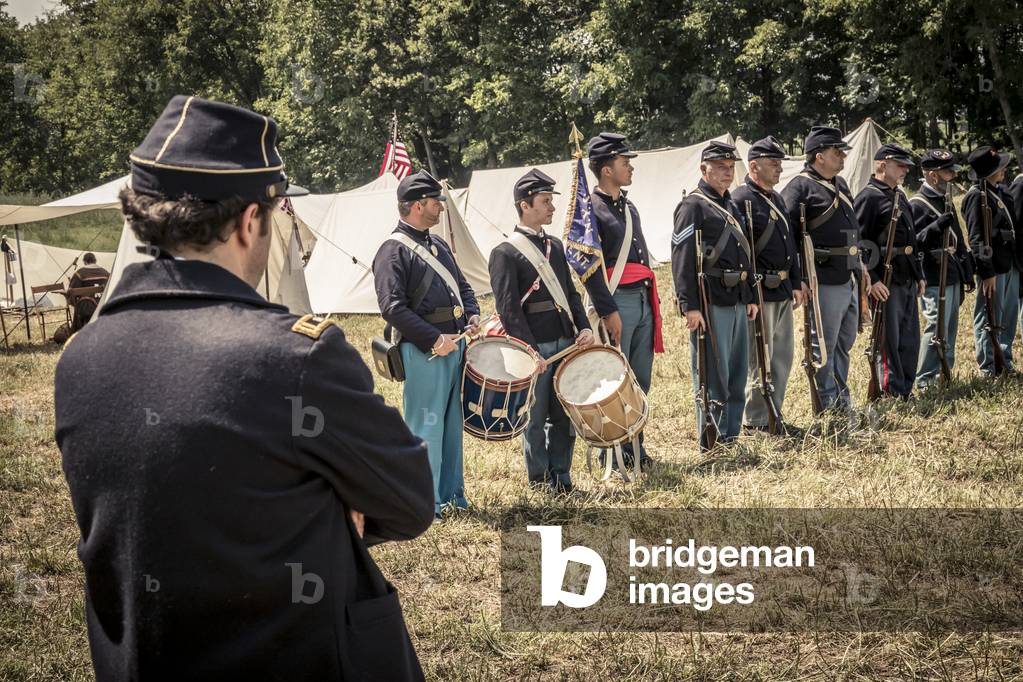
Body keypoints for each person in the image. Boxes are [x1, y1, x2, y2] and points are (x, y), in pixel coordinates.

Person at [54, 95, 434, 681]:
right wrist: (337, 514)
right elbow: (410, 500)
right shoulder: (297, 354)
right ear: (251, 219)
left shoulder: (80, 358)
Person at [373, 169, 480, 517]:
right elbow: (392, 308)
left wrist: (473, 315)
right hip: (425, 351)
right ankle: (424, 502)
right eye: (436, 202)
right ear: (419, 205)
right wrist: (434, 340)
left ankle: (452, 497)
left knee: (450, 427)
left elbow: (463, 287)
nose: (441, 207)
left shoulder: (439, 244)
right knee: (425, 428)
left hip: (455, 344)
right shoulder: (392, 251)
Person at [488, 169, 594, 492]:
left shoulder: (556, 246)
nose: (551, 208)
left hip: (565, 340)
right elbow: (509, 310)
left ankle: (562, 477)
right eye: (545, 201)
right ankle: (539, 480)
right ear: (524, 205)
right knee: (533, 419)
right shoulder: (504, 253)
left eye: (550, 201)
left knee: (564, 416)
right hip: (534, 347)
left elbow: (570, 293)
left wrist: (584, 326)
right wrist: (530, 351)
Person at [582, 131, 662, 468]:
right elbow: (588, 267)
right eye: (623, 161)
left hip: (641, 298)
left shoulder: (628, 207)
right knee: (614, 383)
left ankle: (635, 449)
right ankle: (611, 454)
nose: (630, 167)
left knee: (639, 380)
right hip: (617, 301)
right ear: (605, 170)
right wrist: (607, 309)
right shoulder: (590, 210)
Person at [671, 141, 756, 445]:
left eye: (730, 167)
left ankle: (730, 435)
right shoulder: (692, 205)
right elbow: (681, 258)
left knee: (736, 373)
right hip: (711, 301)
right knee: (712, 374)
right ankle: (712, 437)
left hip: (736, 299)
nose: (727, 172)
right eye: (720, 166)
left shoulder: (731, 204)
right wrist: (689, 306)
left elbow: (745, 255)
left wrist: (750, 297)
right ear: (703, 168)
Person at [780, 125, 862, 412]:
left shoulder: (841, 184)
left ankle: (841, 397)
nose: (842, 156)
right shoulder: (798, 188)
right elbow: (787, 237)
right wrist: (798, 278)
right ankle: (827, 403)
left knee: (844, 343)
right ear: (818, 156)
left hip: (848, 275)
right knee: (823, 347)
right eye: (836, 151)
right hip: (822, 278)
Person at [731, 136, 805, 432]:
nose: (778, 168)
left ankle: (775, 413)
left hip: (783, 290)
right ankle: (757, 420)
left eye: (779, 163)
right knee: (759, 357)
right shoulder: (740, 200)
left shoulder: (776, 198)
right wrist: (750, 292)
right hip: (761, 291)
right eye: (773, 163)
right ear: (753, 166)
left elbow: (791, 245)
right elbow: (741, 254)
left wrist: (797, 283)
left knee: (782, 356)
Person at [854, 143, 923, 399]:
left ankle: (905, 388)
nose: (905, 170)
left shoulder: (900, 196)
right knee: (889, 342)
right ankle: (890, 390)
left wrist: (919, 274)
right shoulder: (868, 197)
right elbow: (860, 244)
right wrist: (871, 279)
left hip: (905, 276)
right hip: (885, 279)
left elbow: (912, 239)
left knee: (909, 339)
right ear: (883, 165)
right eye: (900, 165)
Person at [911, 149, 974, 387]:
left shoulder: (945, 199)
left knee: (950, 327)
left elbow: (958, 237)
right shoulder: (917, 203)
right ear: (932, 176)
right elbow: (915, 242)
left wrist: (966, 270)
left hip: (952, 271)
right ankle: (925, 378)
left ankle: (944, 373)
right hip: (934, 273)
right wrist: (936, 226)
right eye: (947, 172)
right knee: (935, 326)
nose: (952, 176)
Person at [963, 146, 1018, 374]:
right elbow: (977, 239)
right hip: (994, 267)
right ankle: (989, 365)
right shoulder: (976, 196)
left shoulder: (1000, 192)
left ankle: (1004, 360)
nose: (1003, 170)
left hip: (1009, 263)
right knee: (989, 316)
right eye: (998, 168)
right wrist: (986, 272)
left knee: (1008, 315)